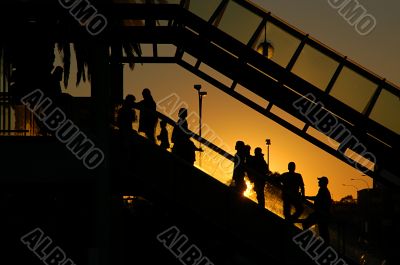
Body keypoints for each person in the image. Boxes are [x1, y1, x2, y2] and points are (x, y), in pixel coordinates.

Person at [302, 176, 332, 244]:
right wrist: (306, 197)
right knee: (323, 232)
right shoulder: (323, 190)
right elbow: (317, 198)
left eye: (320, 181)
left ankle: (309, 241)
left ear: (324, 182)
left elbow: (316, 199)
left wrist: (306, 197)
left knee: (306, 223)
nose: (318, 182)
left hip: (321, 214)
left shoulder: (323, 190)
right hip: (321, 214)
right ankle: (323, 244)